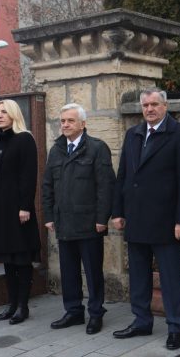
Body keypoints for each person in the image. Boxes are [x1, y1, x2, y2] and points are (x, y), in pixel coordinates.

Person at [111, 88, 180, 351]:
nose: (149, 109)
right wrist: (118, 211)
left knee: (171, 277)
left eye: (154, 104)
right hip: (136, 217)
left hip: (166, 220)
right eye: (145, 105)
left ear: (165, 105)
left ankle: (176, 326)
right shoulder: (133, 134)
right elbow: (123, 176)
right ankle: (141, 321)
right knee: (138, 275)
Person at [42, 103, 115, 335]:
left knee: (93, 272)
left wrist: (102, 218)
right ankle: (73, 311)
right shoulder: (56, 150)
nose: (65, 125)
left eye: (70, 121)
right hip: (64, 222)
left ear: (83, 124)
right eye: (62, 121)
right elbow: (47, 186)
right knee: (69, 271)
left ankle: (95, 313)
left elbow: (106, 186)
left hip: (89, 223)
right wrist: (49, 215)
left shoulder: (97, 148)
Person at [0, 99, 41, 325]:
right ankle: (11, 304)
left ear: (14, 114)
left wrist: (25, 206)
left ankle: (23, 306)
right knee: (7, 260)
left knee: (21, 259)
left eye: (4, 111)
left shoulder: (25, 139)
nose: (0, 115)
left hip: (17, 209)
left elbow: (28, 176)